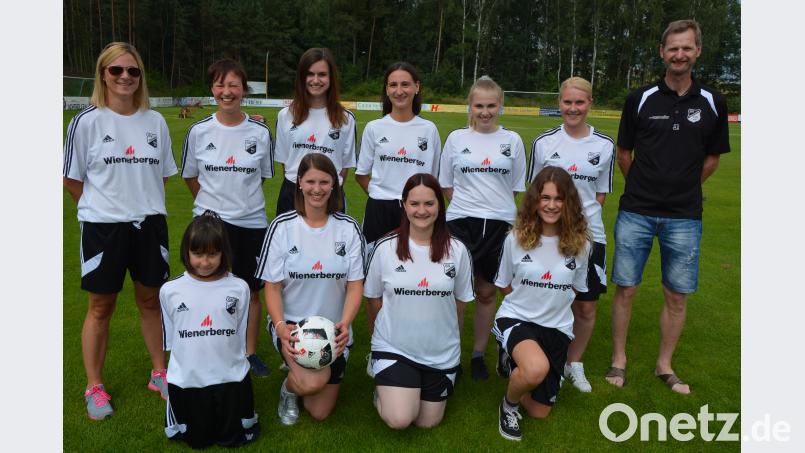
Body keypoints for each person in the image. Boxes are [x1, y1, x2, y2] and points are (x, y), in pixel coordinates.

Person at [606, 19, 730, 394]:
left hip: (685, 216)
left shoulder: (713, 102)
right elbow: (623, 153)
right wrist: (645, 186)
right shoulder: (639, 98)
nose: (679, 54)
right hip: (636, 211)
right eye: (673, 48)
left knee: (676, 294)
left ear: (698, 52)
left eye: (686, 48)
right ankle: (618, 360)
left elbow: (712, 159)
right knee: (626, 288)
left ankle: (664, 364)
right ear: (662, 52)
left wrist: (682, 188)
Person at [62, 42, 178, 420]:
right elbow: (71, 179)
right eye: (117, 70)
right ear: (103, 75)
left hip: (150, 225)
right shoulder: (86, 122)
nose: (125, 77)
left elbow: (160, 174)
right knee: (101, 307)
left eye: (133, 71)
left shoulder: (155, 122)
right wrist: (102, 209)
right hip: (103, 228)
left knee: (150, 301)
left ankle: (159, 372)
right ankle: (94, 386)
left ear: (140, 77)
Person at [181, 59, 274, 378]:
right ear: (212, 89)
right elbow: (191, 177)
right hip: (210, 222)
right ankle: (211, 347)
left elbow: (261, 177)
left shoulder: (260, 132)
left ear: (244, 89)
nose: (227, 91)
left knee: (251, 290)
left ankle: (249, 353)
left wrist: (239, 202)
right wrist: (211, 207)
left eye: (233, 85)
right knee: (207, 285)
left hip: (251, 222)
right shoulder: (198, 130)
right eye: (220, 85)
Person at [256, 154, 365, 425]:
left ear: (334, 185)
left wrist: (346, 324)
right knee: (310, 383)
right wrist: (280, 326)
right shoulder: (282, 228)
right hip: (293, 326)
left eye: (324, 182)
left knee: (320, 411)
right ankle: (289, 390)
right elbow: (271, 287)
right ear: (300, 184)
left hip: (334, 330)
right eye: (311, 181)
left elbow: (355, 285)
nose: (317, 188)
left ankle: (305, 375)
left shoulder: (348, 229)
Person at [365, 173, 474, 429]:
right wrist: (377, 342)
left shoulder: (458, 251)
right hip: (395, 348)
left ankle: (416, 383)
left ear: (439, 206)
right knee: (400, 419)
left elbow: (460, 305)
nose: (421, 210)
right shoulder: (384, 248)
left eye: (429, 203)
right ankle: (383, 384)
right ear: (403, 205)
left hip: (441, 352)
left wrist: (451, 345)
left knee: (428, 422)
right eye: (414, 203)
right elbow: (373, 300)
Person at [528, 76, 614, 392]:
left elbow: (599, 195)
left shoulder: (604, 145)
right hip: (548, 236)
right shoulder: (544, 143)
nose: (573, 108)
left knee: (586, 305)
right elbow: (535, 194)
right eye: (567, 102)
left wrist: (579, 224)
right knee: (547, 297)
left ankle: (573, 363)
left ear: (589, 103)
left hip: (590, 237)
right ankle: (541, 358)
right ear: (559, 103)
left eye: (579, 102)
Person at [492, 167, 590, 441]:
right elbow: (503, 283)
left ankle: (514, 365)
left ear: (569, 203)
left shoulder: (581, 244)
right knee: (535, 368)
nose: (551, 205)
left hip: (557, 328)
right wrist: (527, 304)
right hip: (518, 319)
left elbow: (575, 289)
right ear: (535, 200)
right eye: (545, 197)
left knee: (539, 411)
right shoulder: (515, 238)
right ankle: (508, 406)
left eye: (559, 199)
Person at [439, 76, 526, 380]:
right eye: (479, 106)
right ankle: (450, 356)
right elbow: (446, 185)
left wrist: (492, 208)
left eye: (491, 106)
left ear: (500, 106)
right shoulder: (456, 139)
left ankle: (478, 354)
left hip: (500, 224)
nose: (485, 112)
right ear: (470, 106)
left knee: (488, 291)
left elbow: (514, 188)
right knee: (455, 292)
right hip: (461, 223)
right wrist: (470, 208)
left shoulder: (512, 141)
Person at [161, 214, 259, 448]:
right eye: (198, 254)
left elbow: (239, 333)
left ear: (224, 252)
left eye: (213, 254)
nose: (205, 262)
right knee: (198, 440)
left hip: (231, 376)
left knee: (233, 438)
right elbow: (173, 338)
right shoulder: (170, 290)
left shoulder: (239, 287)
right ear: (186, 252)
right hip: (188, 379)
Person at [355, 62, 441, 245]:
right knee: (374, 267)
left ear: (416, 87)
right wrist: (380, 194)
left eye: (405, 84)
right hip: (379, 209)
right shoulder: (374, 128)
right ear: (386, 89)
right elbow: (361, 174)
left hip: (417, 210)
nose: (399, 91)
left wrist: (420, 203)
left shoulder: (429, 130)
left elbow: (433, 177)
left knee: (414, 265)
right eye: (393, 85)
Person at [274, 48, 356, 216]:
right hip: (293, 193)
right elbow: (286, 163)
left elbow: (344, 167)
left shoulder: (346, 118)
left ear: (331, 78)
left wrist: (326, 187)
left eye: (322, 74)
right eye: (310, 74)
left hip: (330, 194)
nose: (316, 80)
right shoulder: (286, 115)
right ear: (301, 77)